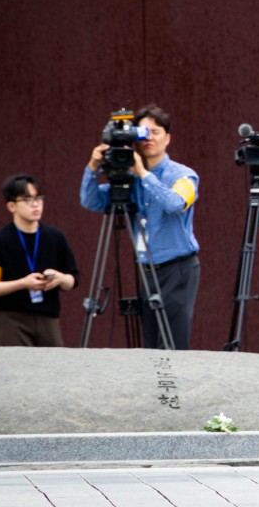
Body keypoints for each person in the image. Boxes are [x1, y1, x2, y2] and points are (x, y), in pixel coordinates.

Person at [80, 104, 200, 350]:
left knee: (172, 346)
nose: (149, 138)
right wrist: (92, 168)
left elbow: (175, 204)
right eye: (142, 133)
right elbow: (90, 201)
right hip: (146, 271)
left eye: (155, 132)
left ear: (168, 138)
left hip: (177, 269)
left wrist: (144, 174)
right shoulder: (130, 178)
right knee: (151, 348)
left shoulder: (184, 175)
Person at [0, 174, 79, 346]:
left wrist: (60, 278)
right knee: (17, 370)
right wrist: (23, 283)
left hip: (48, 318)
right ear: (11, 206)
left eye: (39, 198)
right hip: (13, 319)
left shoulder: (56, 237)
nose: (35, 204)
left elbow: (72, 280)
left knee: (55, 369)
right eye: (27, 199)